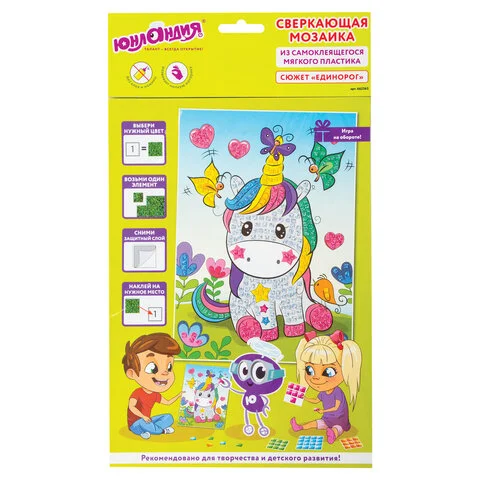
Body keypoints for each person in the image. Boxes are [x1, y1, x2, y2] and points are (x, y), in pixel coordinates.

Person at [290, 330, 362, 444]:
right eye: (309, 370)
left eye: (328, 372)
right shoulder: (323, 392)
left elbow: (336, 407)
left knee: (338, 428)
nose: (316, 378)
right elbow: (316, 400)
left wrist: (323, 410)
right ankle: (300, 427)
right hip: (327, 419)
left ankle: (333, 434)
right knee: (316, 423)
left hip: (339, 420)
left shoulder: (338, 392)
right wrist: (304, 397)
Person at [122, 333, 183, 439]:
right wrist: (143, 416)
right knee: (143, 423)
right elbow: (131, 407)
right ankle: (161, 431)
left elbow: (168, 402)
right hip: (136, 423)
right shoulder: (137, 392)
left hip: (148, 420)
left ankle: (151, 429)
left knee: (169, 417)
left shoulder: (155, 394)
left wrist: (179, 395)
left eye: (169, 367)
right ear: (132, 373)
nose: (165, 372)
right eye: (152, 368)